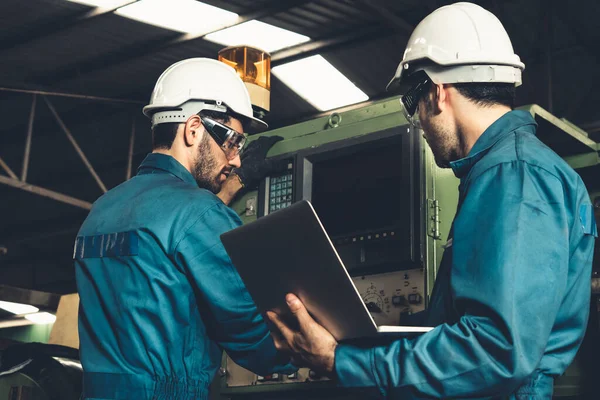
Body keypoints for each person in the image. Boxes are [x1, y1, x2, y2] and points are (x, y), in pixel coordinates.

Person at [267, 3, 597, 398]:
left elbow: (496, 350)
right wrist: (346, 342)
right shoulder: (502, 173)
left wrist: (342, 361)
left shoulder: (514, 175)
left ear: (437, 93)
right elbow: (459, 326)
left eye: (413, 104)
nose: (418, 122)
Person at [74, 58, 295, 400]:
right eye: (233, 142)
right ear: (193, 129)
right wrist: (315, 350)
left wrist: (231, 188)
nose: (235, 159)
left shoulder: (101, 210)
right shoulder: (199, 213)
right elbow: (249, 336)